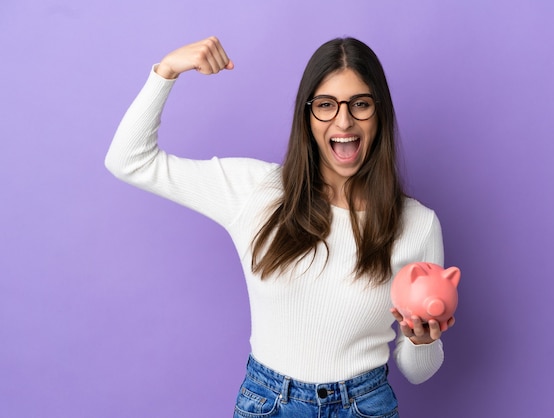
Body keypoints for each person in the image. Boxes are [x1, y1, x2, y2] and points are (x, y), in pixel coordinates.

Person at [105, 35, 454, 418]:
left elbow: (417, 373)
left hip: (365, 406)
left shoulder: (417, 225)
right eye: (325, 105)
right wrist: (166, 70)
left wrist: (422, 341)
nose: (343, 120)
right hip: (268, 403)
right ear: (307, 116)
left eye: (360, 104)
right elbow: (128, 161)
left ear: (380, 113)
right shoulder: (255, 191)